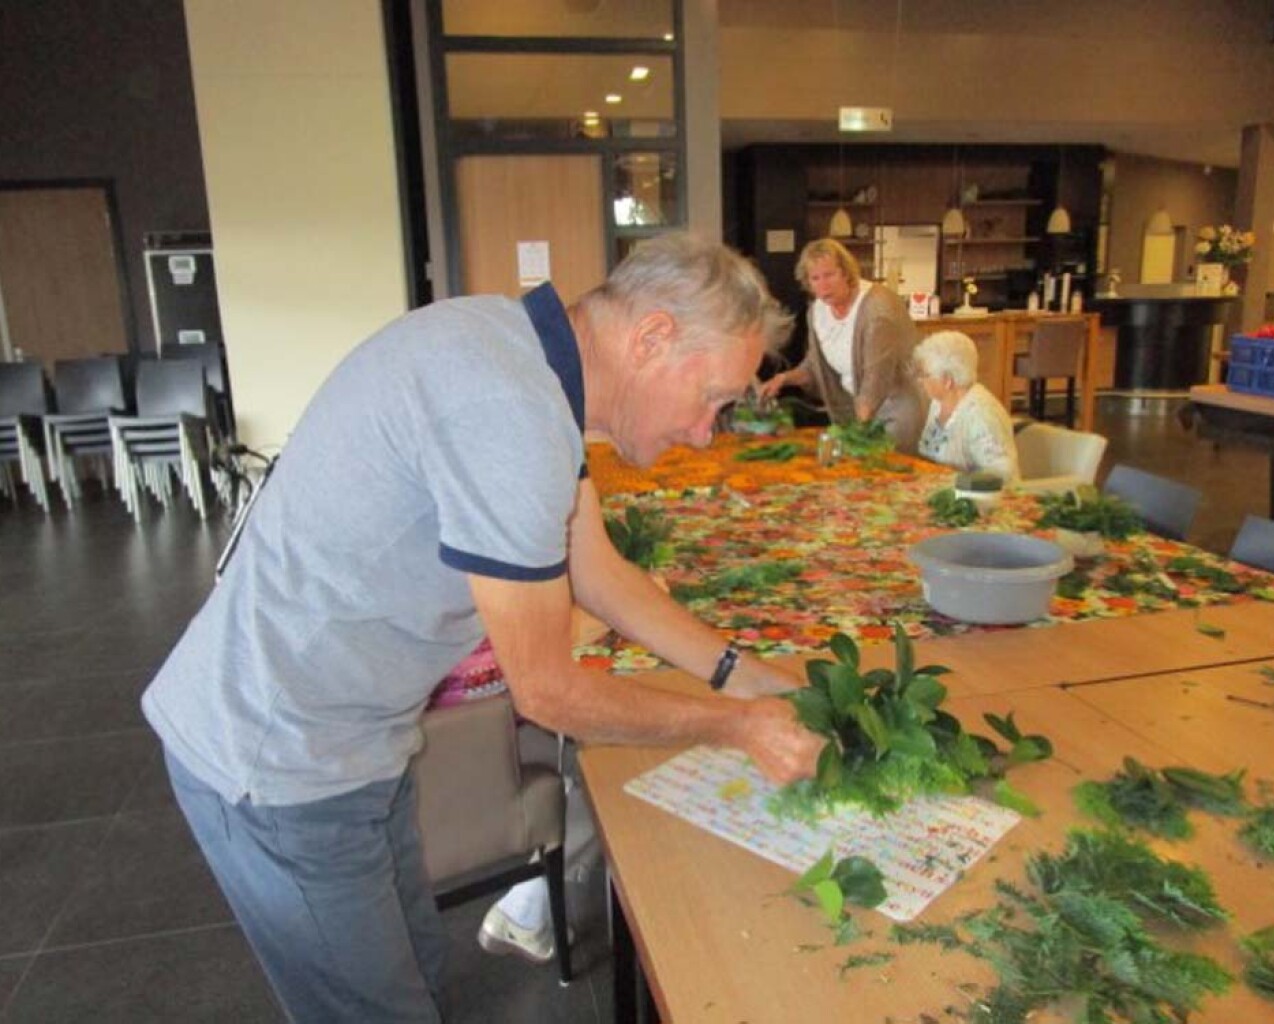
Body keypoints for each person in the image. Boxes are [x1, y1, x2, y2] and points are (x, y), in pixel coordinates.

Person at [141, 233, 824, 1023]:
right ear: (651, 338)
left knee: (417, 985)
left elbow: (599, 574)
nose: (707, 431)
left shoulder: (527, 362)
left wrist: (745, 676)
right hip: (276, 757)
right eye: (713, 398)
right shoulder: (511, 412)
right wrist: (736, 727)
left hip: (356, 741)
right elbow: (548, 693)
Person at [758, 238, 924, 451]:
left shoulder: (877, 309)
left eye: (829, 275)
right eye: (815, 278)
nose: (823, 285)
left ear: (846, 272)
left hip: (896, 410)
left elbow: (876, 378)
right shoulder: (818, 311)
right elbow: (814, 365)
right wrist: (783, 379)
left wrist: (854, 434)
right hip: (859, 411)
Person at [913, 329, 1020, 482]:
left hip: (976, 495)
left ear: (947, 381)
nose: (920, 380)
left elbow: (1002, 475)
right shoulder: (938, 403)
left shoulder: (981, 415)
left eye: (925, 375)